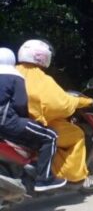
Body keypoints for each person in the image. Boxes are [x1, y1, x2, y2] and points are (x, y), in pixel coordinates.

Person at [15, 40, 93, 183]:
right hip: (34, 124)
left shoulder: (12, 71)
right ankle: (68, 175)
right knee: (76, 135)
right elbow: (60, 104)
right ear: (44, 57)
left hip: (12, 122)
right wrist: (84, 101)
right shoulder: (41, 78)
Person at [0, 47, 66, 192]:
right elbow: (20, 103)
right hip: (7, 123)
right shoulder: (15, 76)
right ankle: (45, 180)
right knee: (51, 136)